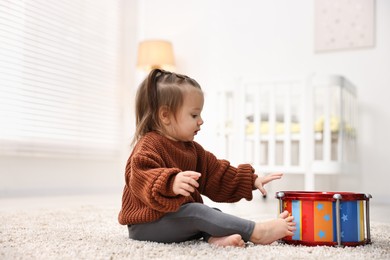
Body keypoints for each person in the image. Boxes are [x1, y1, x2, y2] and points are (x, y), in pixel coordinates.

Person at [118, 69, 296, 248]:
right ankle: (257, 232)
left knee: (213, 213)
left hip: (175, 217)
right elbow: (141, 176)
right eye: (194, 115)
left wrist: (251, 180)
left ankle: (215, 239)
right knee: (198, 212)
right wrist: (170, 182)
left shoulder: (192, 150)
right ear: (165, 116)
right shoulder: (149, 144)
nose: (201, 120)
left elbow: (217, 173)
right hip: (147, 223)